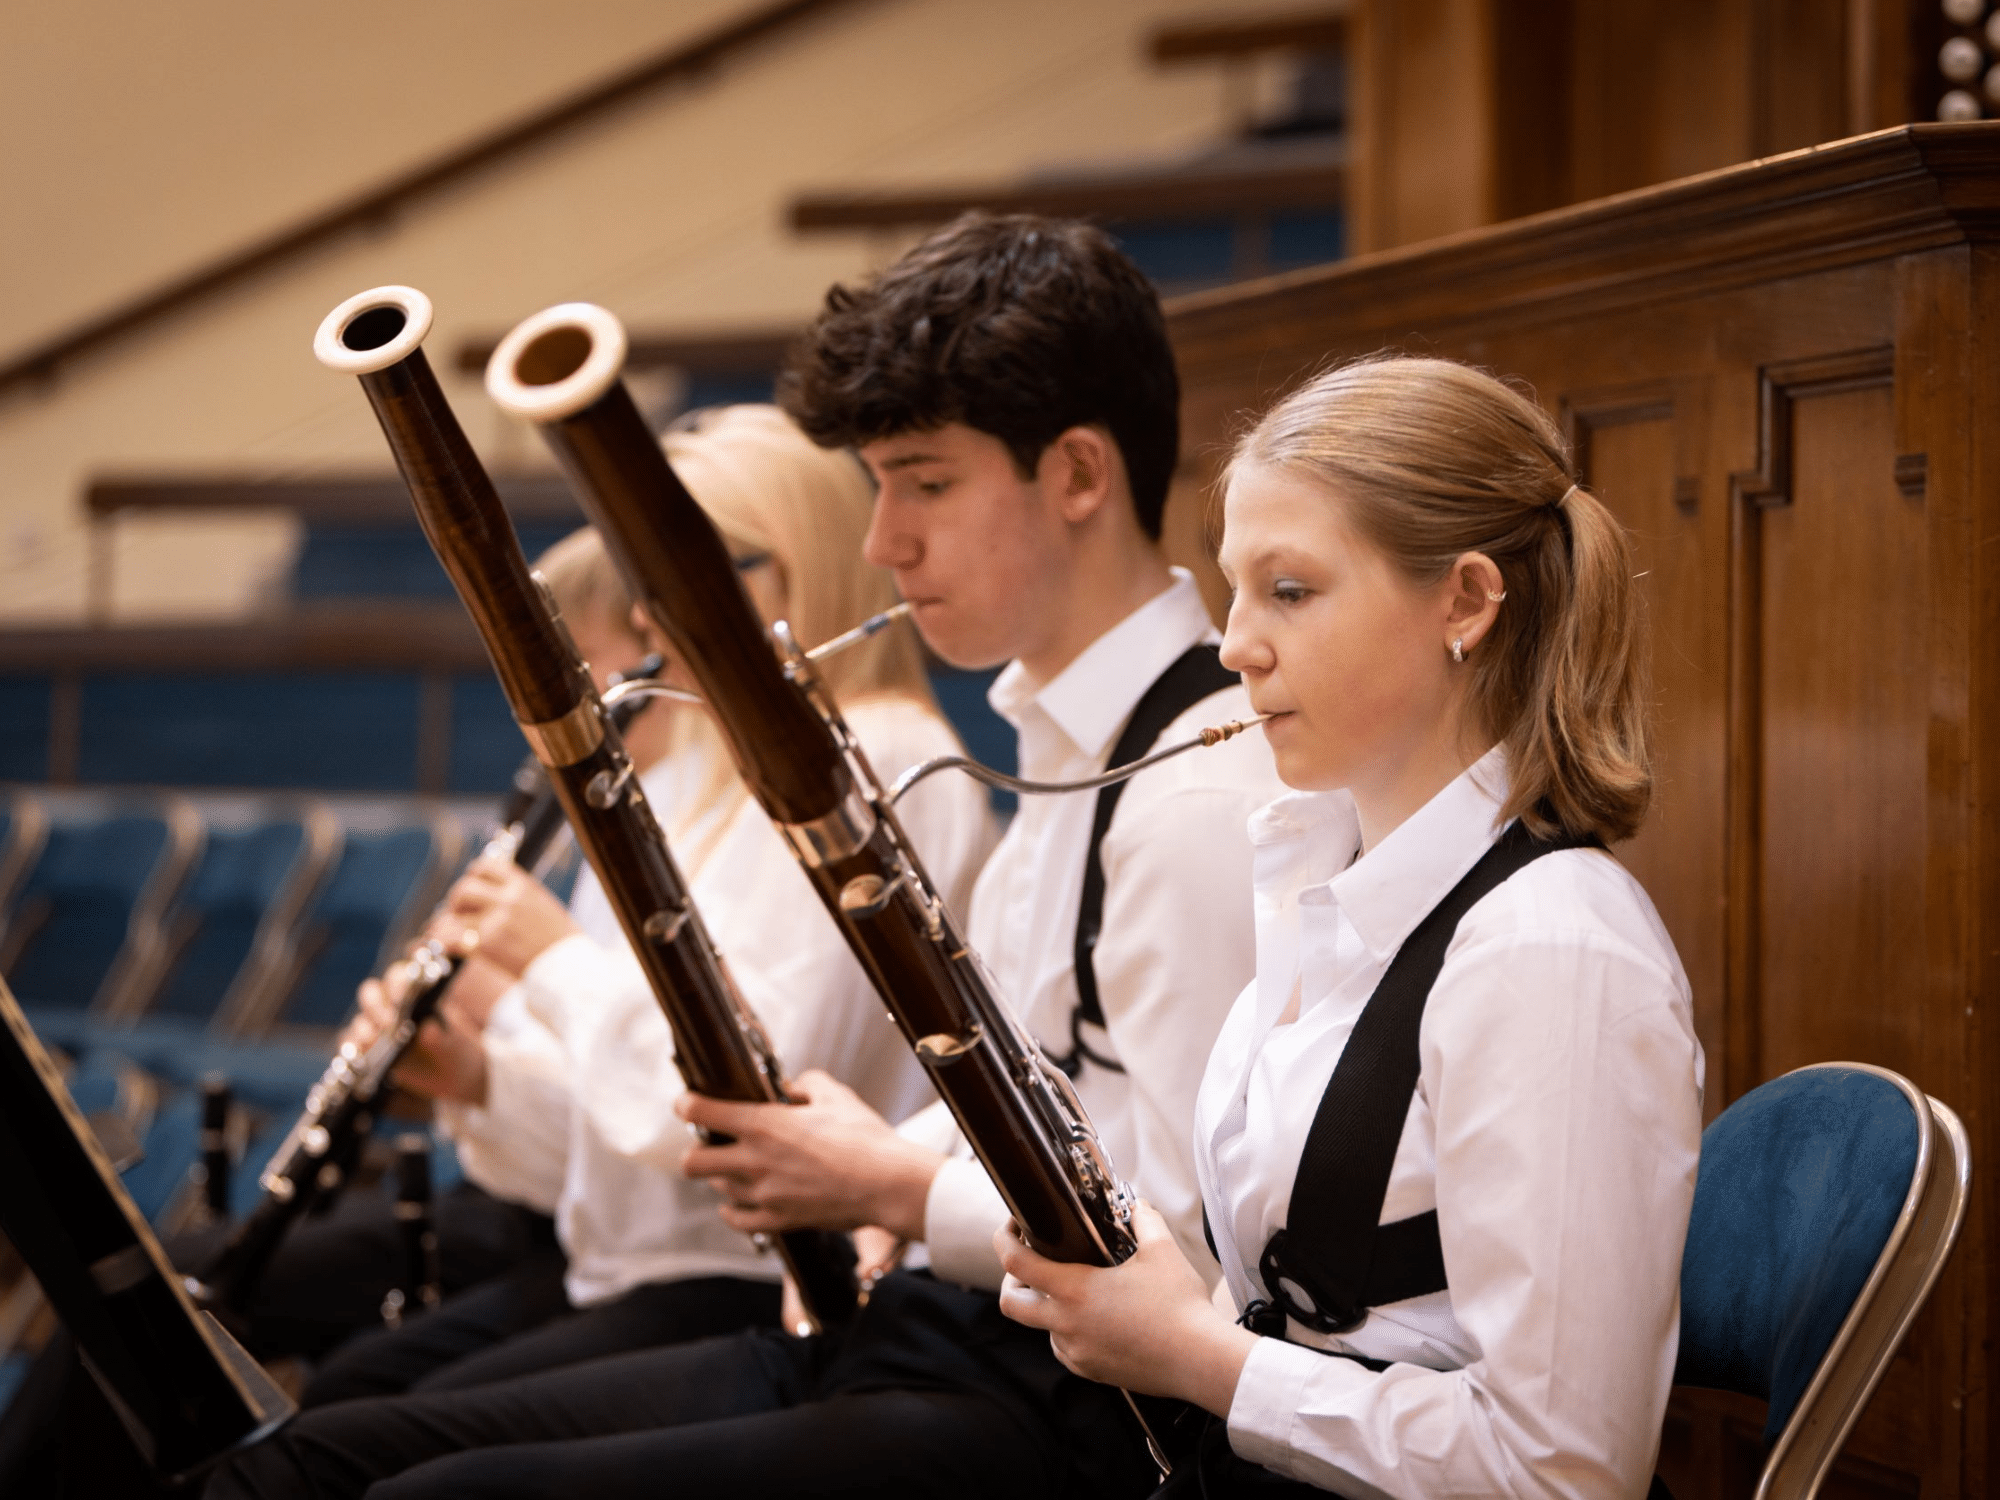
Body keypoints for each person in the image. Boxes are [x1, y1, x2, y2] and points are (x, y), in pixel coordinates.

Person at [204, 213, 1284, 1500]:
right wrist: (885, 1164)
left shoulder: (1191, 793)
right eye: (875, 487)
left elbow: (1201, 1243)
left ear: (1076, 474)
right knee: (322, 1453)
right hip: (926, 1339)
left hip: (1065, 1416)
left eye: (924, 483)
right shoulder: (1044, 753)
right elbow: (1035, 1101)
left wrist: (883, 1178)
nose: (881, 542)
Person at [995, 356, 1706, 1498]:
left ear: (1464, 602)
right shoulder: (1324, 883)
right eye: (1233, 590)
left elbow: (1562, 1472)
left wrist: (1196, 1354)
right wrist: (1172, 1301)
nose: (1234, 646)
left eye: (1289, 591)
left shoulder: (1549, 952)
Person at [289, 405, 993, 1407]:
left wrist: (550, 961)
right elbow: (604, 1162)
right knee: (338, 1405)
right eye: (642, 585)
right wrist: (480, 1077)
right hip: (638, 1267)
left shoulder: (878, 753)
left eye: (679, 579)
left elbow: (742, 1105)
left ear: (800, 563)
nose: (651, 622)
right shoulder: (708, 765)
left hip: (766, 1286)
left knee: (347, 1447)